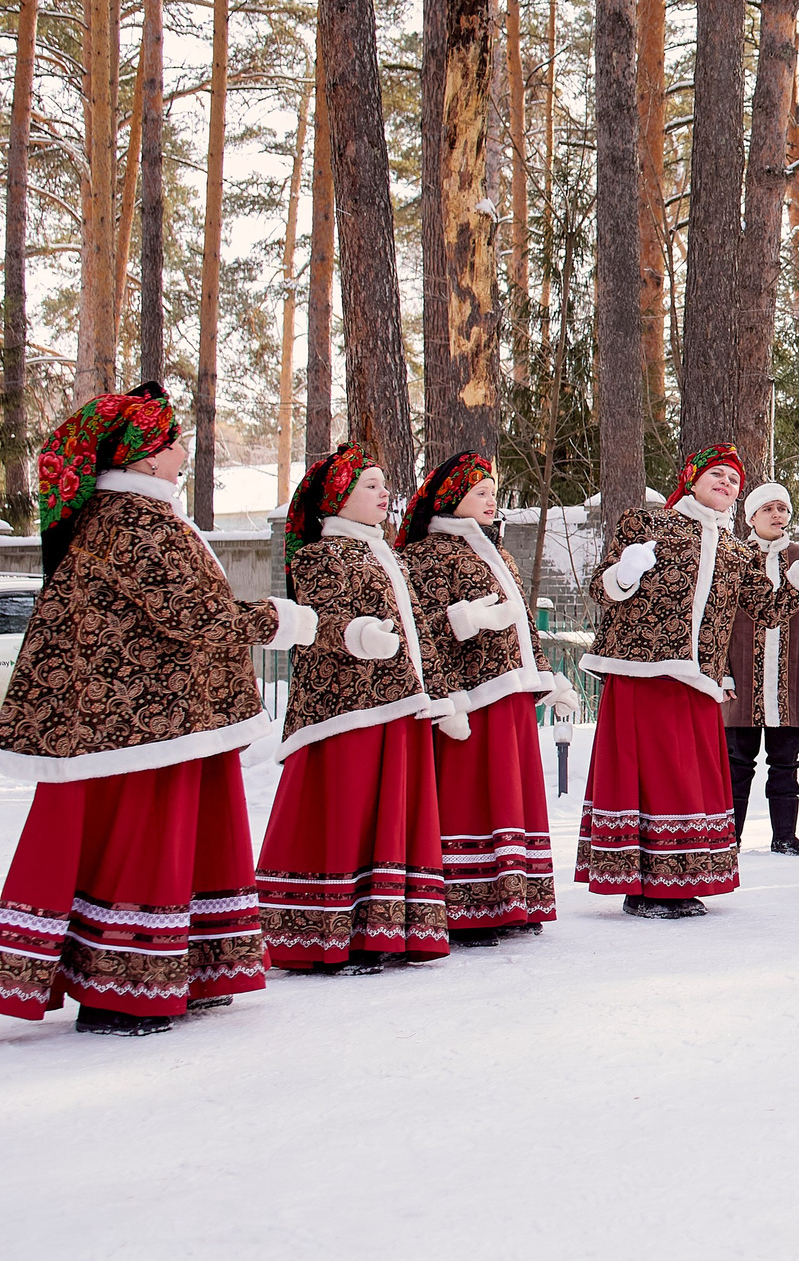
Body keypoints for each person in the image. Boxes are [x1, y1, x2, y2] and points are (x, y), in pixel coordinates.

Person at [0, 384, 314, 1034]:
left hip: (160, 720)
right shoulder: (134, 522)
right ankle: (123, 987)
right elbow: (191, 614)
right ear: (143, 458)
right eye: (171, 442)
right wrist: (278, 619)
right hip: (145, 725)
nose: (181, 451)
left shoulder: (132, 516)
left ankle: (179, 968)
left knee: (173, 840)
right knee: (147, 841)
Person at [578, 444, 799, 918]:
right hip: (645, 673)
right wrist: (624, 574)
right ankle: (643, 886)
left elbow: (770, 609)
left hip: (699, 680)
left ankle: (679, 879)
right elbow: (601, 589)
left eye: (735, 480)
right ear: (692, 478)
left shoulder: (738, 551)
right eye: (717, 474)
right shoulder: (646, 522)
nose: (727, 484)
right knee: (651, 776)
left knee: (686, 781)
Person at [258, 445, 465, 972]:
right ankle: (330, 936)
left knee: (390, 816)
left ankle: (386, 932)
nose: (383, 493)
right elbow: (325, 618)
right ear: (339, 496)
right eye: (370, 485)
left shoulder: (385, 554)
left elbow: (419, 635)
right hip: (343, 709)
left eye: (383, 484)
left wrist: (443, 695)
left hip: (397, 704)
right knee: (347, 811)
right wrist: (357, 633)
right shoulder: (319, 555)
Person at [398, 450, 581, 944]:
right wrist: (464, 625)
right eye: (479, 492)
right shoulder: (424, 557)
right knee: (471, 796)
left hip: (512, 691)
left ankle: (513, 898)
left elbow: (523, 626)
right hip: (469, 696)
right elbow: (418, 632)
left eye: (492, 493)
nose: (489, 501)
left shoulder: (496, 552)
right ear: (452, 498)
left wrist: (549, 679)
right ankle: (467, 906)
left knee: (512, 794)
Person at [722, 482, 799, 856]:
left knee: (786, 764)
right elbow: (718, 621)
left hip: (793, 678)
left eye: (783, 509)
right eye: (768, 509)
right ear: (751, 517)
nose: (777, 515)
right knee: (737, 764)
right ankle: (729, 837)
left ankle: (785, 836)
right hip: (740, 678)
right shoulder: (735, 557)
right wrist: (721, 672)